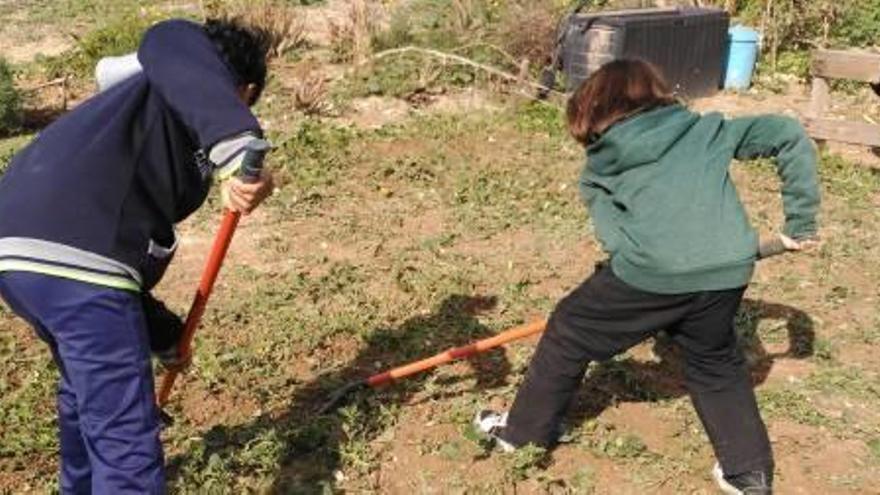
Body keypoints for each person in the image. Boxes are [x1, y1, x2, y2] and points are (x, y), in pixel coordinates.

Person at [475, 59, 820, 495]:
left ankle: (522, 433)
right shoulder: (706, 130)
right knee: (714, 361)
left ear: (592, 108)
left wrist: (633, 283)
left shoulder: (600, 164)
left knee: (568, 329)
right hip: (728, 274)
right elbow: (788, 135)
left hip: (651, 273)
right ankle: (747, 472)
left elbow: (615, 240)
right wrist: (799, 222)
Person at [0, 18, 275, 494]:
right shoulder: (173, 54)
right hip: (75, 262)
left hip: (23, 259)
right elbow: (168, 38)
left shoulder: (129, 124)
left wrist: (164, 335)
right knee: (126, 445)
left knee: (85, 395)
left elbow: (114, 258)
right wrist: (235, 146)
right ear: (244, 91)